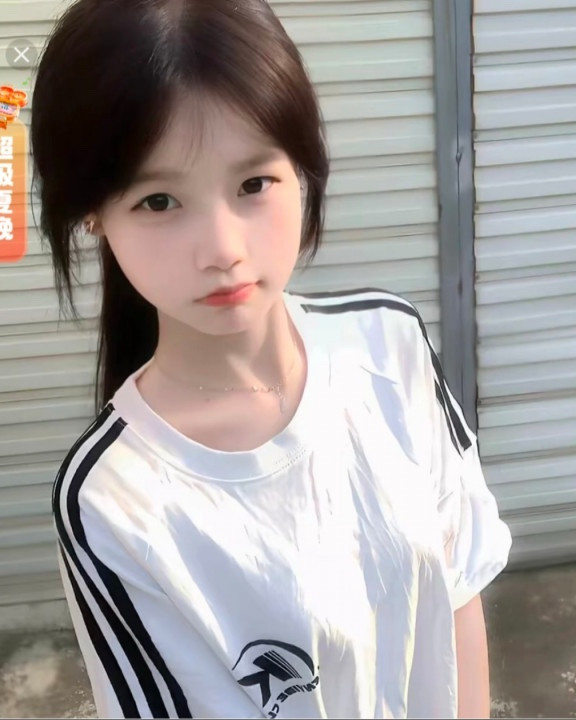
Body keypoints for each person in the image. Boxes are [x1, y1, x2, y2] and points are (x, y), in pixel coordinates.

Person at [32, 0, 512, 717]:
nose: (223, 249)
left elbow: (458, 591)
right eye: (159, 201)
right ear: (94, 215)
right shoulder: (110, 500)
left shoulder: (390, 343)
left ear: (302, 169)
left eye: (253, 184)